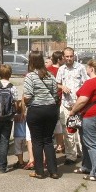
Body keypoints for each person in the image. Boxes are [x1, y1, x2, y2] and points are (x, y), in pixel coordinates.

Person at [69, 59, 96, 181]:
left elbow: (83, 100)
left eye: (87, 67)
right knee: (86, 142)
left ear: (91, 69)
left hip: (92, 115)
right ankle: (87, 166)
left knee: (92, 144)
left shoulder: (91, 82)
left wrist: (73, 111)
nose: (86, 69)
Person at [23, 51, 60, 179]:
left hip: (36, 110)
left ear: (31, 61)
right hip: (51, 110)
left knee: (37, 141)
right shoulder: (50, 75)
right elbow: (55, 94)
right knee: (48, 140)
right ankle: (53, 171)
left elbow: (27, 96)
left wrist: (26, 102)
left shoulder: (30, 76)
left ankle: (39, 171)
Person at [56, 47, 89, 165]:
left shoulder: (80, 68)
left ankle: (84, 154)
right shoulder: (61, 69)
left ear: (74, 56)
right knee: (67, 129)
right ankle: (71, 155)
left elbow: (87, 83)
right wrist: (62, 87)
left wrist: (81, 96)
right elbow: (57, 84)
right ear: (63, 57)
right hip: (66, 103)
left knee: (81, 129)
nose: (69, 59)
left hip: (79, 104)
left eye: (71, 56)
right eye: (67, 56)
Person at [0, 64, 20, 173]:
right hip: (8, 118)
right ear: (10, 74)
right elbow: (15, 105)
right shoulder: (13, 87)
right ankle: (3, 165)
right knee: (5, 139)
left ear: (0, 74)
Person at [48, 51, 65, 154]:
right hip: (60, 98)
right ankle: (60, 144)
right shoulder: (62, 70)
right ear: (59, 60)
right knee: (59, 123)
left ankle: (55, 143)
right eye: (63, 58)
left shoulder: (47, 70)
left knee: (51, 123)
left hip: (50, 100)